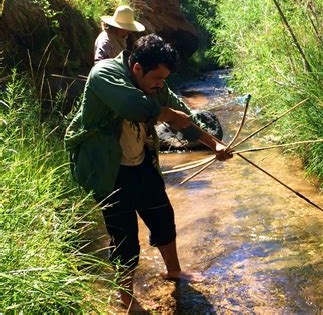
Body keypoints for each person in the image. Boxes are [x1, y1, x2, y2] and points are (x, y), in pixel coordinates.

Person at [65, 34, 232, 311]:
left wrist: (214, 143)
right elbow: (134, 107)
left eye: (165, 79)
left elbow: (181, 116)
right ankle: (125, 296)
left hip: (141, 162)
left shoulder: (156, 86)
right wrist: (167, 115)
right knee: (124, 238)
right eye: (157, 77)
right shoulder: (104, 73)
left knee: (163, 217)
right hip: (108, 170)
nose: (160, 84)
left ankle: (174, 271)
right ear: (137, 68)